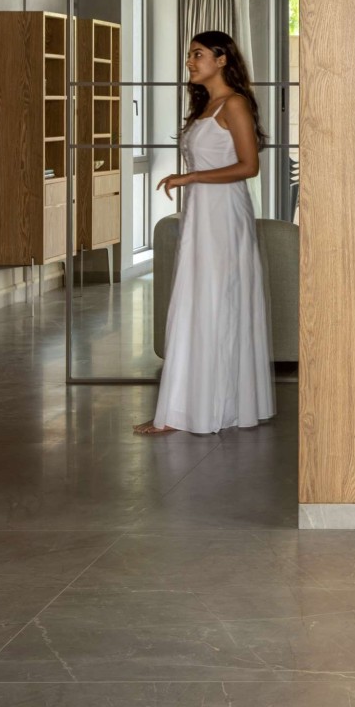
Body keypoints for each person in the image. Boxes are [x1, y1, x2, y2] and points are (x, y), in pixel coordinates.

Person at [134, 30, 275, 437]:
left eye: (197, 55)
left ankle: (203, 409)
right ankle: (183, 409)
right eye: (189, 55)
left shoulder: (234, 104)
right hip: (201, 215)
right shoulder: (206, 107)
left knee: (217, 302)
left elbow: (249, 167)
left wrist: (191, 175)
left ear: (222, 59)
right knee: (196, 303)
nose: (189, 62)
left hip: (224, 215)